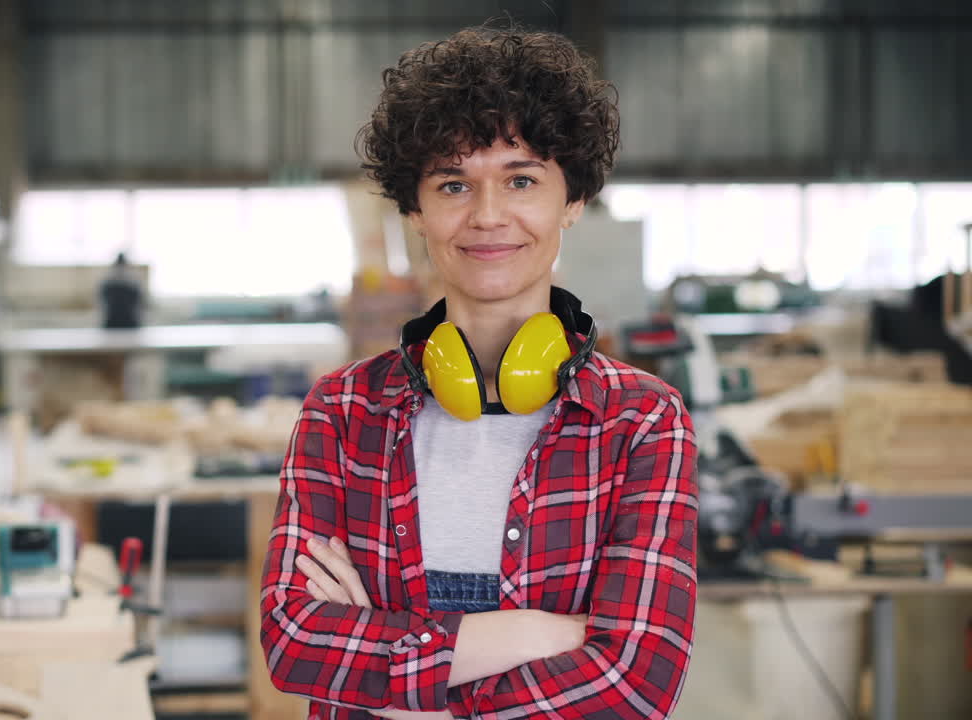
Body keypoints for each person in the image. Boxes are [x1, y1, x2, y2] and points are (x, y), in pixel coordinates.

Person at [259, 26, 698, 720]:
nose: (488, 217)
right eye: (454, 184)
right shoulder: (341, 413)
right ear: (415, 210)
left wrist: (404, 690)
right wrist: (537, 635)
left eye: (521, 180)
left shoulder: (641, 421)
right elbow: (295, 643)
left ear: (572, 200)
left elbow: (635, 680)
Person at [99, 252, 145, 329]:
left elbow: (140, 304)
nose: (121, 269)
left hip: (130, 323)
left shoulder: (133, 282)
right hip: (111, 323)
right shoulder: (107, 283)